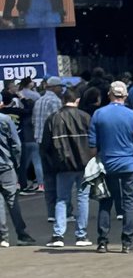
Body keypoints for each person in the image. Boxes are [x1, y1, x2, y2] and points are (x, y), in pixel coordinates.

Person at [89, 79, 133, 253]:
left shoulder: (99, 114)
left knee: (106, 202)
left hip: (107, 165)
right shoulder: (132, 116)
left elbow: (92, 146)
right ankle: (126, 242)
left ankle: (102, 242)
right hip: (129, 165)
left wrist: (92, 164)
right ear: (125, 96)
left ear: (109, 95)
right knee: (129, 203)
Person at [40, 84, 93, 247]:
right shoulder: (85, 117)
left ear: (63, 100)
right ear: (77, 100)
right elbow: (93, 141)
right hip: (84, 164)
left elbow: (45, 146)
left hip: (63, 166)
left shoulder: (53, 118)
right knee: (83, 198)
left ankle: (58, 236)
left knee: (62, 199)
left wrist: (51, 165)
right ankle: (81, 235)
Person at [0, 101, 36, 246]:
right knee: (12, 200)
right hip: (6, 165)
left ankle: (3, 236)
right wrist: (17, 163)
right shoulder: (5, 120)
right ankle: (22, 234)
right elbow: (16, 144)